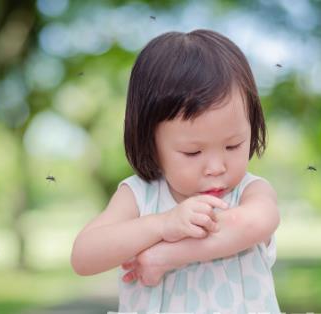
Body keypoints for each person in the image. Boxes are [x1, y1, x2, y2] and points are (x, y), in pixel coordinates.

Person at [70, 29, 281, 313]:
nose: (217, 167)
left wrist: (169, 255)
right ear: (150, 142)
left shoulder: (249, 191)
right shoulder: (140, 197)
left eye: (233, 145)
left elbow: (258, 223)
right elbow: (83, 256)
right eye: (193, 152)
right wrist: (162, 225)